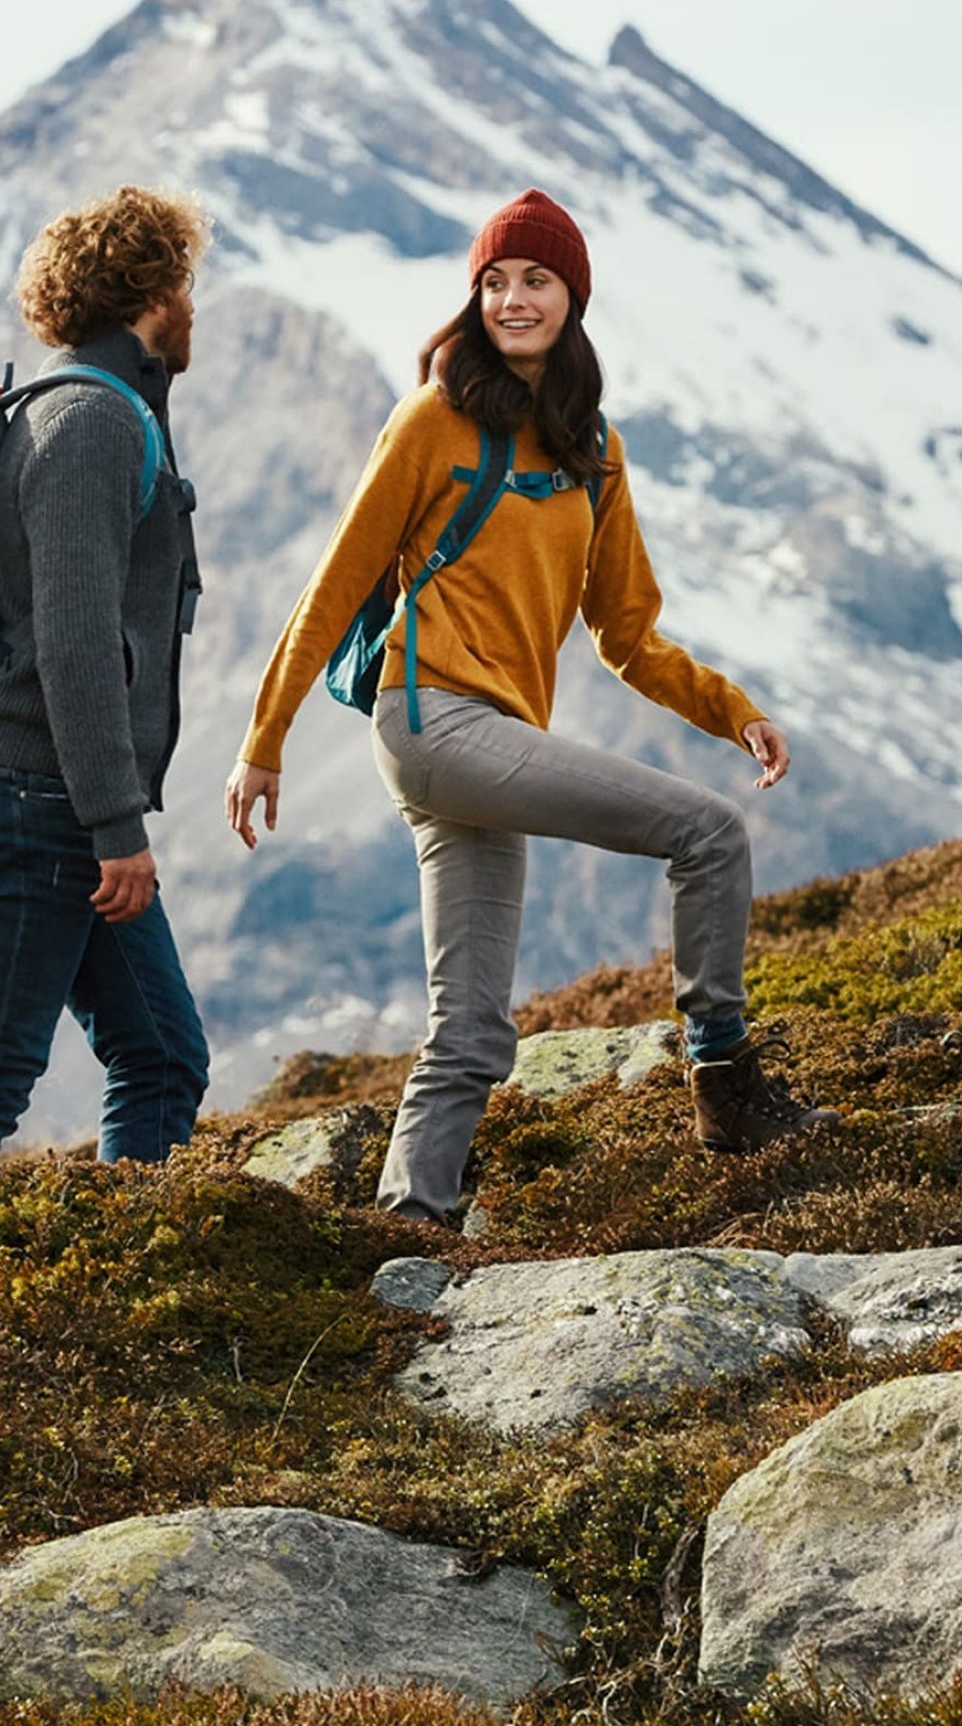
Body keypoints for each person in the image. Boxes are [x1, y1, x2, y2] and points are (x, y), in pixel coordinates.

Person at [228, 187, 830, 1228]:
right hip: (427, 720)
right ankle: (724, 1086)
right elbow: (334, 585)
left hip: (490, 741)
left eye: (535, 280)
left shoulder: (594, 449)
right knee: (709, 833)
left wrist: (731, 711)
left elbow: (626, 633)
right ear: (474, 300)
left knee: (468, 1028)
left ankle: (405, 1232)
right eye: (495, 282)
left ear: (571, 297)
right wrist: (263, 741)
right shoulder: (432, 419)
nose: (513, 298)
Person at [0, 187, 215, 1194]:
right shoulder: (86, 423)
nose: (194, 307)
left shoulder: (77, 410)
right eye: (186, 283)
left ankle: (131, 1279)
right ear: (149, 295)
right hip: (36, 798)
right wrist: (116, 823)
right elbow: (78, 640)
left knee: (162, 1054)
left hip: (43, 797)